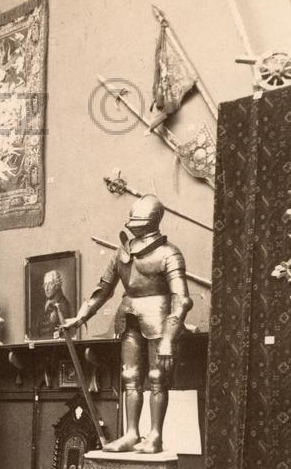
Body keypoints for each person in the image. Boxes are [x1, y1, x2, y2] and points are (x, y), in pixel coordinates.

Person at [62, 194, 191, 453]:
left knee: (157, 378)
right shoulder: (121, 252)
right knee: (130, 376)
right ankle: (132, 434)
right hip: (128, 315)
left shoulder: (169, 253)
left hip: (159, 317)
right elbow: (103, 289)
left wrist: (168, 338)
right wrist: (80, 317)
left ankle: (155, 436)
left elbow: (181, 299)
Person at [39, 268, 73, 336]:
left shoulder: (63, 305)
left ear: (57, 285)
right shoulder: (45, 305)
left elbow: (65, 334)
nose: (46, 288)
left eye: (50, 284)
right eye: (45, 285)